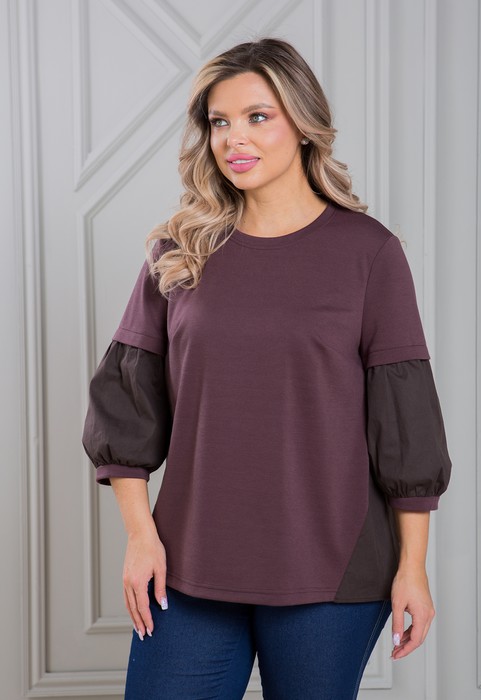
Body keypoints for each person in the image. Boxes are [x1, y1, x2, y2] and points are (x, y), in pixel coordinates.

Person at [82, 37, 452, 700]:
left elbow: (404, 422)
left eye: (258, 116)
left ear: (303, 124)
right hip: (187, 564)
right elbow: (125, 409)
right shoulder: (179, 251)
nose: (234, 139)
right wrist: (141, 538)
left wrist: (413, 568)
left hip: (331, 570)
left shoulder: (369, 253)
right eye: (219, 121)